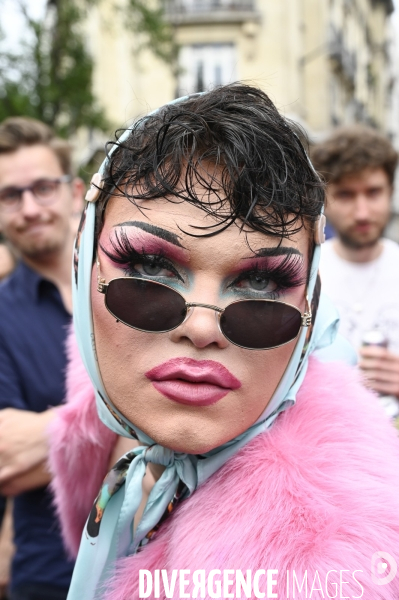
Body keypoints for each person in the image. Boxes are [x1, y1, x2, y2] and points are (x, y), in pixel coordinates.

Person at [50, 85, 399, 599]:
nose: (202, 327)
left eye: (261, 283)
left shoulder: (327, 562)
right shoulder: (106, 413)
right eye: (150, 267)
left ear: (309, 308)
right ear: (84, 269)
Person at [0, 117, 85, 600]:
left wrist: (50, 432)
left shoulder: (139, 283)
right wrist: (136, 416)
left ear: (74, 192)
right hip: (52, 575)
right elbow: (7, 459)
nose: (29, 209)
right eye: (10, 195)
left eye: (43, 188)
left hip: (161, 564)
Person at [311, 125, 399, 416]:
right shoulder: (304, 277)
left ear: (391, 192)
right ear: (326, 199)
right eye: (346, 195)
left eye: (373, 193)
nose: (362, 212)